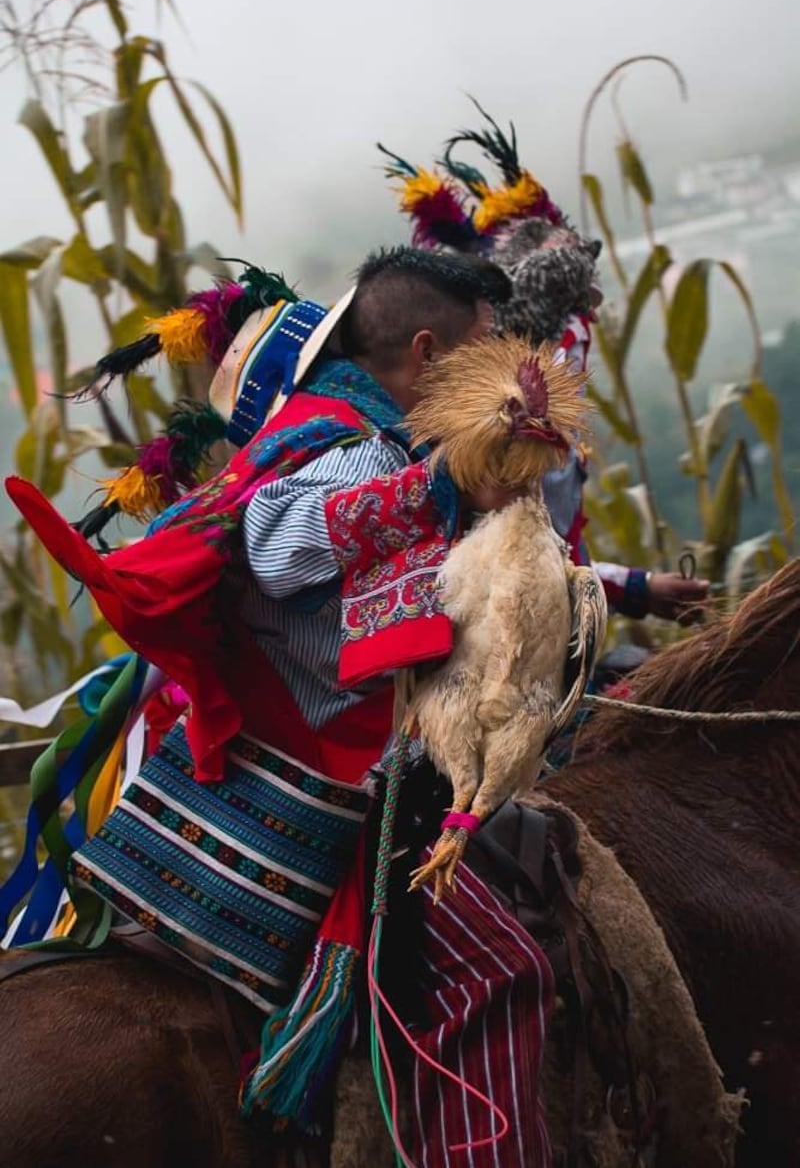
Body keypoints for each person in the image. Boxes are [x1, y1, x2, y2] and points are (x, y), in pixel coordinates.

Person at [5, 246, 554, 1167]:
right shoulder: (357, 450)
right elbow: (273, 542)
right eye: (486, 352)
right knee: (504, 971)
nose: (499, 376)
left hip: (305, 764)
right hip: (324, 800)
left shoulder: (337, 431)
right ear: (427, 353)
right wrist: (439, 488)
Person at [378, 105, 710, 628]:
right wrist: (635, 591)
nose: (595, 316)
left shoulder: (517, 408)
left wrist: (639, 590)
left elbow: (543, 558)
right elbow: (515, 570)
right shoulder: (497, 429)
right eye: (582, 312)